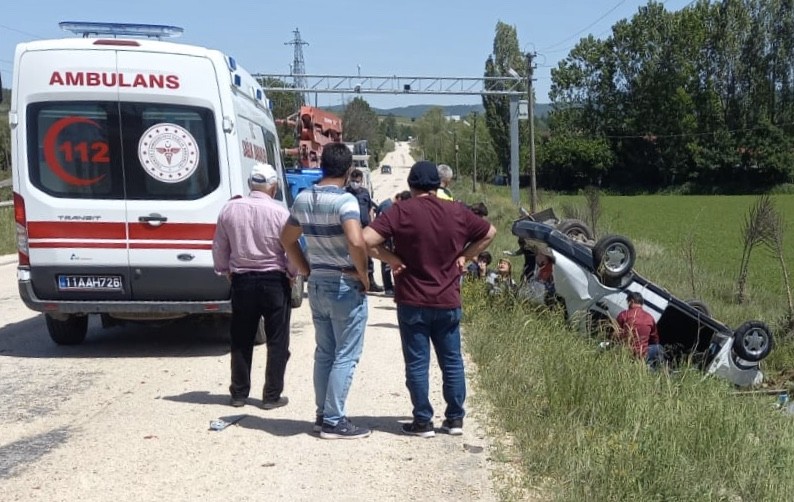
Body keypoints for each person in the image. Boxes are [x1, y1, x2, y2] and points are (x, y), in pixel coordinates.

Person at [363, 160, 496, 438]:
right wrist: (466, 256)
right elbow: (490, 232)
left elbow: (365, 239)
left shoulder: (401, 211)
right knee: (451, 361)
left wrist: (391, 258)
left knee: (417, 362)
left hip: (412, 299)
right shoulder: (456, 210)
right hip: (447, 299)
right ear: (437, 185)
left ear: (411, 185)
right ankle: (455, 419)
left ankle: (423, 420)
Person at [280, 142, 372, 440]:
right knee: (346, 354)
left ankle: (322, 414)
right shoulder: (345, 202)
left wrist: (305, 269)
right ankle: (334, 420)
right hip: (344, 283)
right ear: (348, 171)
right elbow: (357, 242)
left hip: (317, 281)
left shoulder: (303, 198)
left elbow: (286, 238)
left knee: (325, 352)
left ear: (322, 165)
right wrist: (364, 274)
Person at [212, 163, 295, 410]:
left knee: (241, 338)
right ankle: (271, 395)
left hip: (242, 280)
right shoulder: (280, 213)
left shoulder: (229, 209)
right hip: (274, 281)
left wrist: (224, 270)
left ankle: (238, 393)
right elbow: (290, 249)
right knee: (277, 340)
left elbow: (219, 246)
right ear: (273, 186)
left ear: (251, 185)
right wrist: (292, 273)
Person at [347, 168, 384, 293]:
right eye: (353, 180)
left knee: (368, 254)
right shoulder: (346, 193)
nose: (355, 183)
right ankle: (357, 281)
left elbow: (370, 209)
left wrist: (372, 224)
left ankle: (371, 281)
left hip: (365, 227)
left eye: (357, 181)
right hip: (352, 229)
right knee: (355, 254)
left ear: (361, 180)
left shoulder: (365, 193)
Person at [375, 190, 412, 296]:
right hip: (385, 239)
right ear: (399, 199)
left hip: (392, 239)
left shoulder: (392, 206)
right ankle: (388, 288)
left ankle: (395, 286)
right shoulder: (387, 207)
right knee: (386, 263)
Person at [615, 291, 664, 366]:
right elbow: (655, 339)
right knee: (659, 347)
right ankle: (654, 369)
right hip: (642, 354)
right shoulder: (650, 318)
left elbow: (615, 335)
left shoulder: (623, 315)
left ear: (631, 301)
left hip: (625, 353)